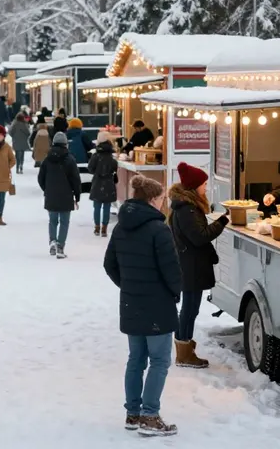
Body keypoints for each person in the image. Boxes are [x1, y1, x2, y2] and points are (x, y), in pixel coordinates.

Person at [104, 175, 181, 436]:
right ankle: (150, 416)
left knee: (136, 359)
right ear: (151, 199)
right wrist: (174, 291)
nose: (163, 204)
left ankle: (133, 413)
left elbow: (109, 265)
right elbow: (171, 271)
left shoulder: (120, 227)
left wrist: (128, 285)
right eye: (161, 199)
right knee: (159, 360)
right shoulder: (159, 230)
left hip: (131, 302)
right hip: (157, 304)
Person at [168, 163, 229, 369]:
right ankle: (184, 351)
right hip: (190, 265)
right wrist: (222, 222)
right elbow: (199, 237)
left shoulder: (185, 206)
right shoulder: (187, 209)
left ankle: (184, 345)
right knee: (189, 308)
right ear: (194, 187)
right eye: (203, 184)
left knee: (190, 308)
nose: (206, 187)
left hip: (189, 263)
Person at [38, 132, 81, 259]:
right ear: (65, 144)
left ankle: (52, 241)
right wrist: (77, 196)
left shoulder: (47, 159)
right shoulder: (70, 159)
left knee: (52, 221)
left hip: (51, 195)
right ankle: (60, 246)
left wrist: (47, 189)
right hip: (66, 196)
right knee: (64, 222)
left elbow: (41, 177)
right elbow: (75, 179)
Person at [89, 137, 119, 237]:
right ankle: (104, 228)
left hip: (97, 182)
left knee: (97, 207)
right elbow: (115, 168)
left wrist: (97, 172)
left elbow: (90, 168)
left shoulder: (95, 156)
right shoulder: (112, 158)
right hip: (108, 183)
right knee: (107, 206)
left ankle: (97, 227)